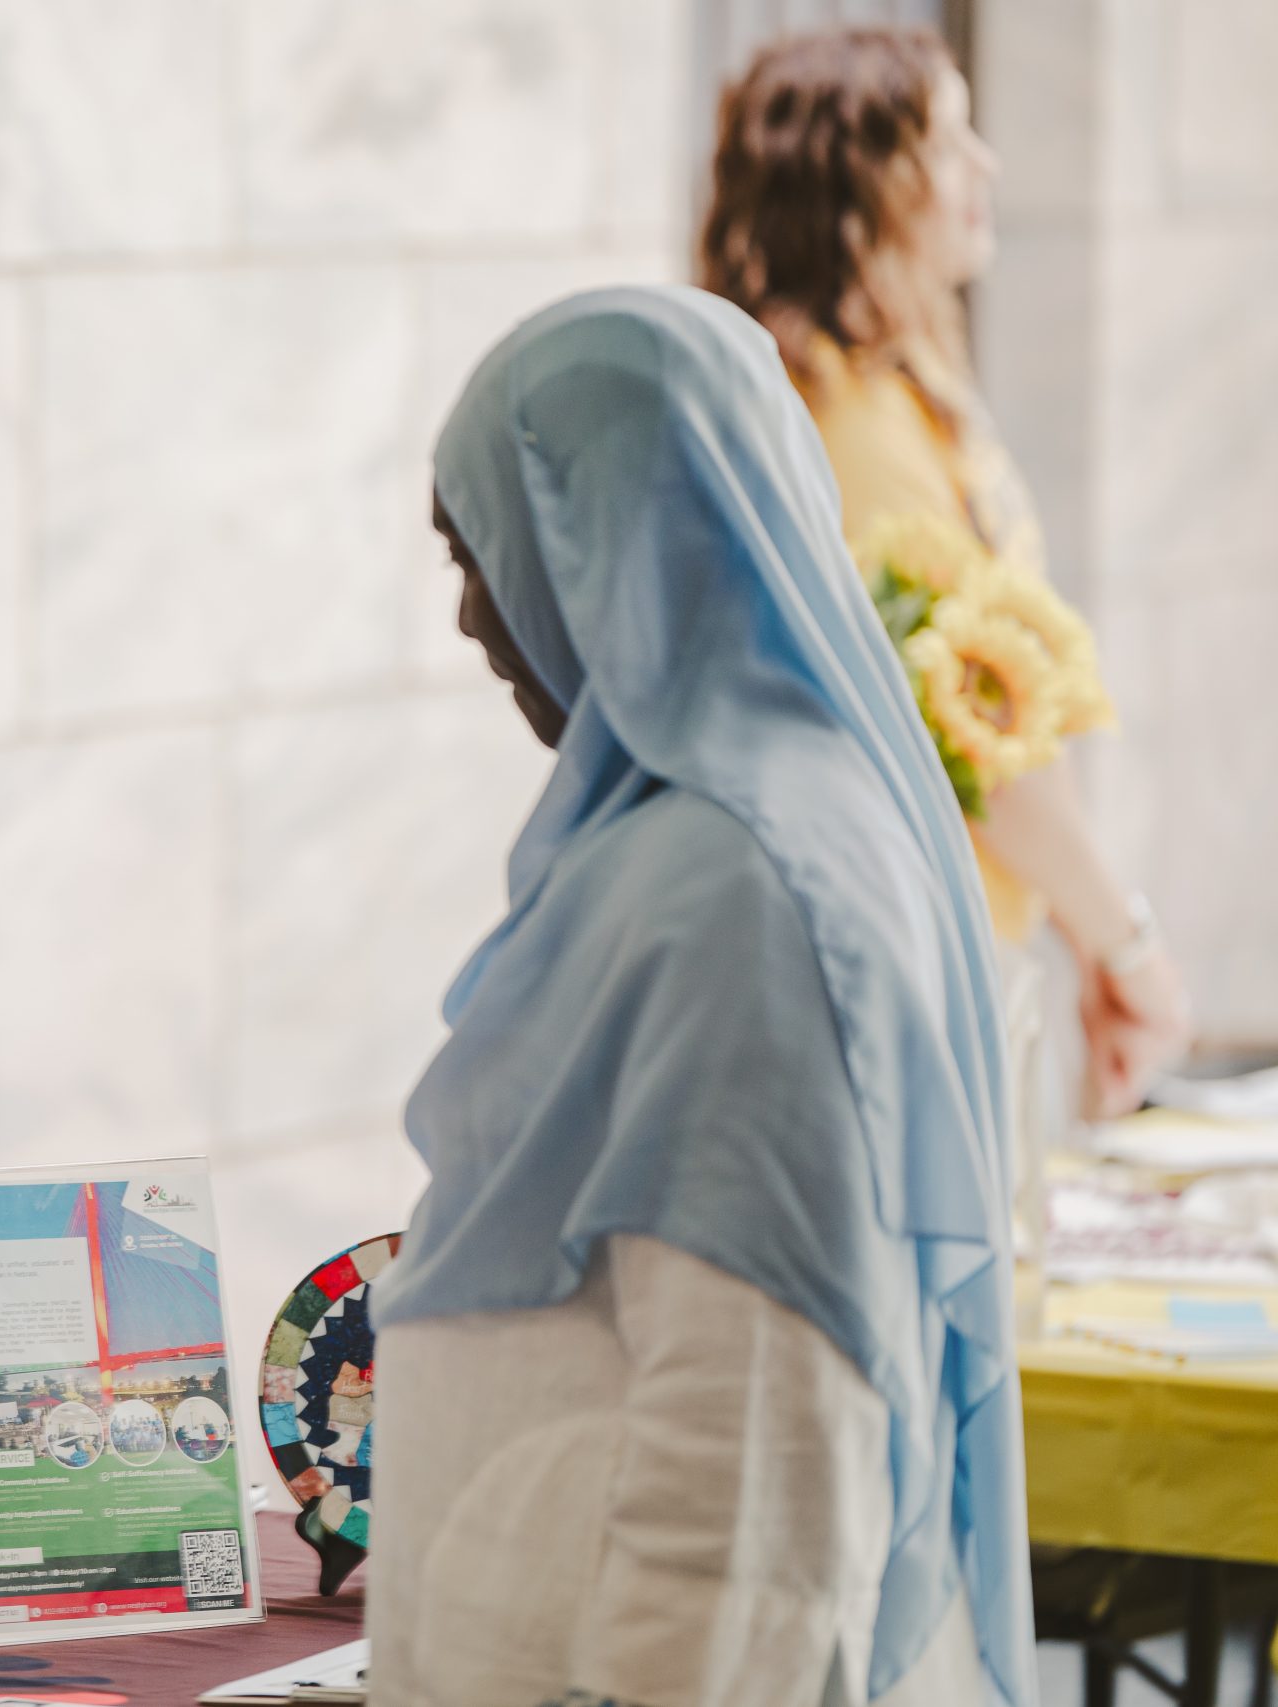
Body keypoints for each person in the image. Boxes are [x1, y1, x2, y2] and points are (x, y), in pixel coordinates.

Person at [365, 286, 1028, 1705]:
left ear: (622, 528)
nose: (478, 616)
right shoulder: (725, 833)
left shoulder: (744, 884)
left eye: (484, 545)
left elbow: (755, 1447)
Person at [700, 27, 1188, 1123]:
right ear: (864, 183)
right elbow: (981, 755)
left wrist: (1086, 940)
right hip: (905, 976)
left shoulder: (897, 396)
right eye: (950, 139)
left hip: (946, 955)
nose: (988, 168)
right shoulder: (852, 430)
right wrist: (1130, 948)